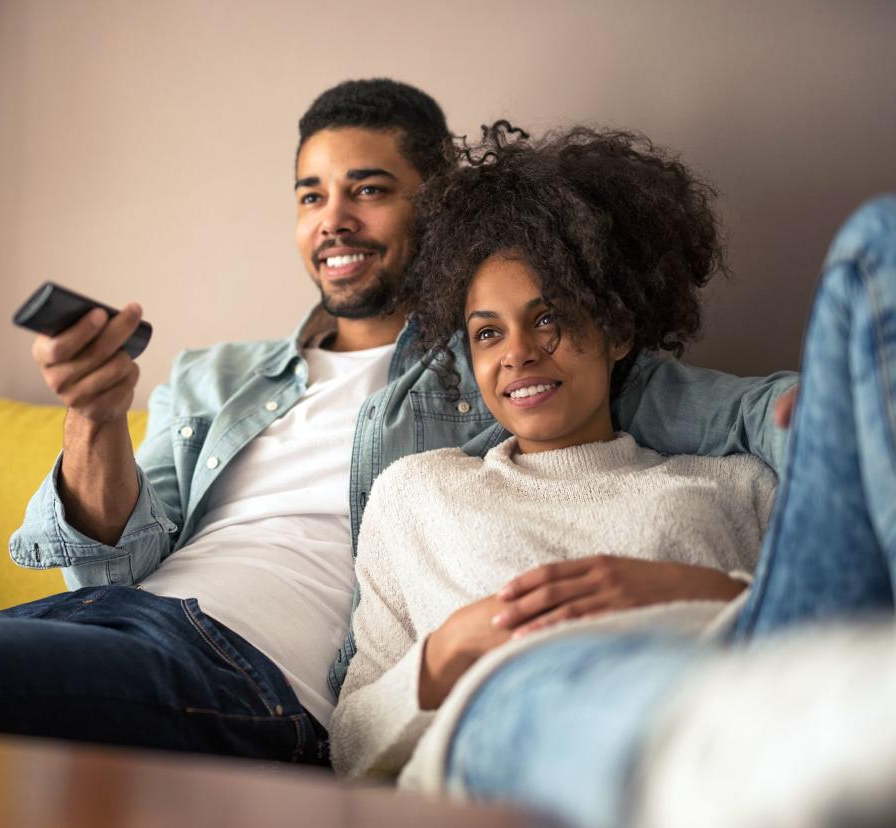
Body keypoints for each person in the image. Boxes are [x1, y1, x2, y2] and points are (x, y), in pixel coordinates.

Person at [0, 80, 791, 765]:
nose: (333, 219)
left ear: (436, 203)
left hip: (246, 685)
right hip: (119, 627)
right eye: (310, 193)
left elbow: (764, 424)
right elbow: (109, 552)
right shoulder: (220, 378)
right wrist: (94, 421)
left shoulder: (501, 361)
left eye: (369, 187)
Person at [331, 124, 896, 826]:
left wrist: (700, 589)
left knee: (882, 241)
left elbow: (801, 620)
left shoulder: (734, 482)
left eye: (550, 319)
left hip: (750, 665)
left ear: (617, 332)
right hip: (527, 698)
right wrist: (447, 652)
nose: (518, 354)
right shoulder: (417, 493)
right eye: (488, 333)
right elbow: (348, 745)